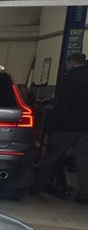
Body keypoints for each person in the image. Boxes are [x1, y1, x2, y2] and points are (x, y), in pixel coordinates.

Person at [35, 52, 88, 204]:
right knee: (83, 163)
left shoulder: (69, 78)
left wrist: (53, 123)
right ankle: (85, 196)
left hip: (65, 126)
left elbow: (62, 104)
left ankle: (36, 186)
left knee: (51, 157)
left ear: (72, 62)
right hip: (85, 128)